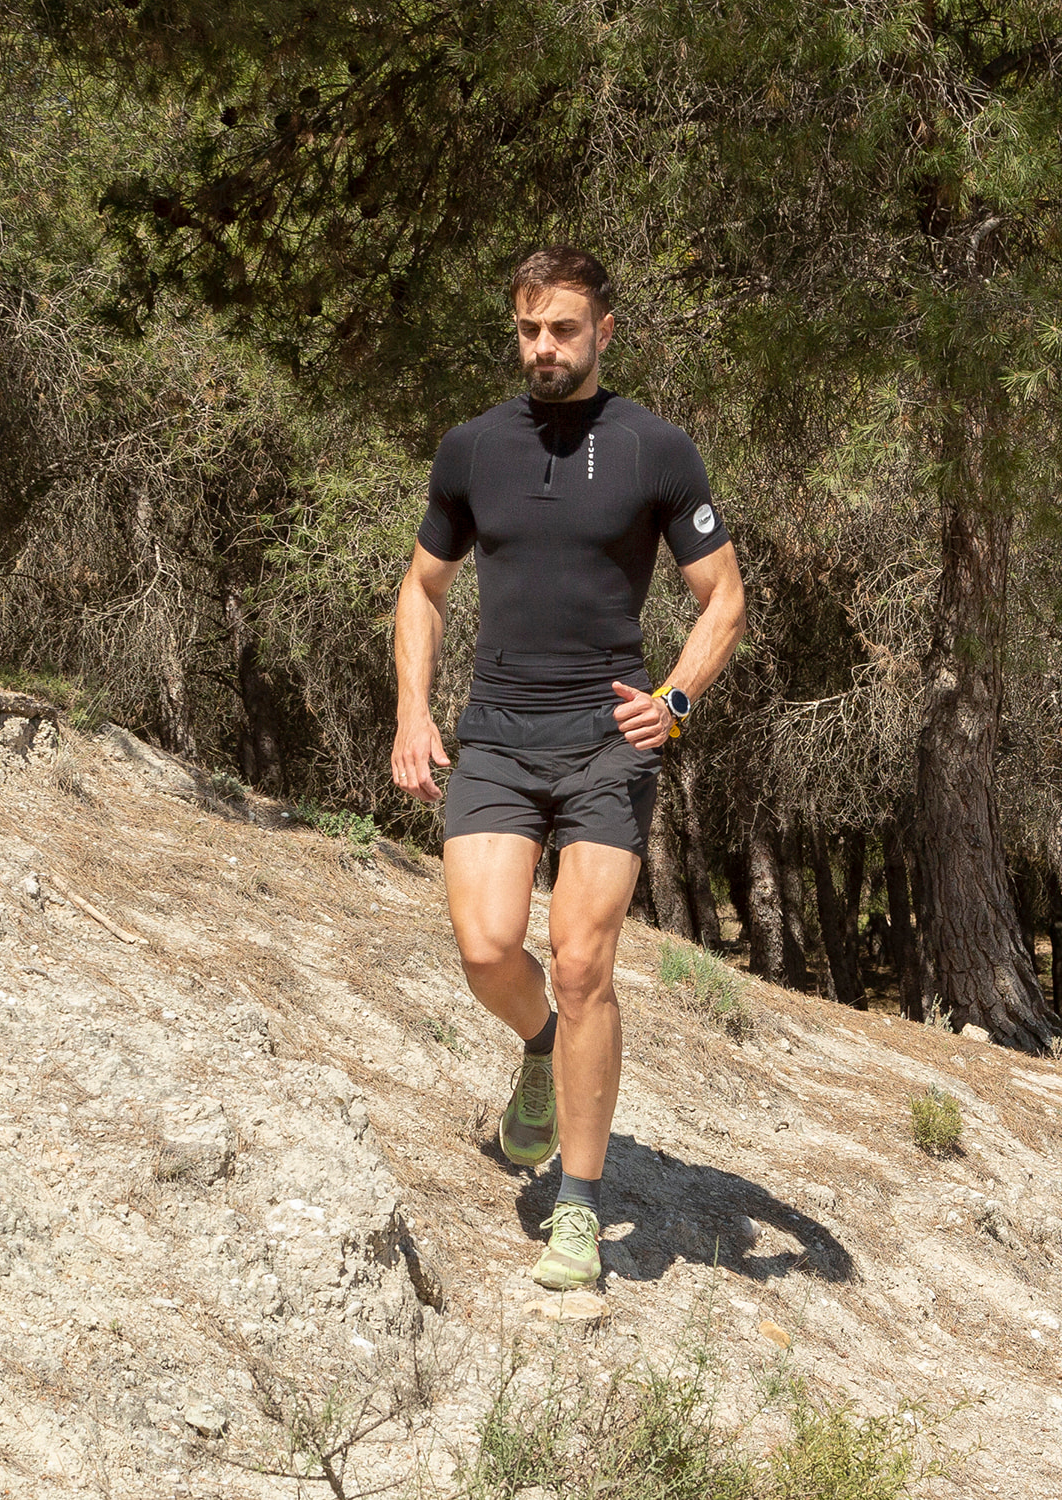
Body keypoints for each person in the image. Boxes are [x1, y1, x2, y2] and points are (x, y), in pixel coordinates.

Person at [391, 246, 746, 1289]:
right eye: (528, 330)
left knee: (586, 963)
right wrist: (414, 711)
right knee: (489, 947)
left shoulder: (654, 450)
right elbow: (423, 588)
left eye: (563, 330)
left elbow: (723, 596)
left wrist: (676, 701)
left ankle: (581, 1210)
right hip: (496, 733)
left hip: (606, 740)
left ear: (603, 333)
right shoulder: (471, 449)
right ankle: (543, 1044)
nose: (544, 348)